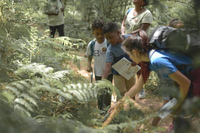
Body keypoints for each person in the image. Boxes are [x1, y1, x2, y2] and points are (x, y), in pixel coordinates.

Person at [109, 30, 199, 132]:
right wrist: (119, 103)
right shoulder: (148, 61)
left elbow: (185, 83)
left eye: (129, 55)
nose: (130, 58)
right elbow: (137, 86)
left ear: (134, 52)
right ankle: (154, 126)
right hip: (188, 82)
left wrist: (178, 104)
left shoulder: (157, 60)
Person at [121, 0, 153, 99]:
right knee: (128, 64)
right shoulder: (129, 10)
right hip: (127, 41)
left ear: (143, 2)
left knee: (139, 65)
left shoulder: (147, 14)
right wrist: (123, 34)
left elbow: (142, 29)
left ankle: (140, 87)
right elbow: (123, 24)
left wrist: (127, 35)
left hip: (137, 43)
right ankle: (129, 88)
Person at [102, 22, 136, 101]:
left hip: (130, 71)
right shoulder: (110, 50)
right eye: (107, 39)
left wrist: (136, 61)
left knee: (132, 91)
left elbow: (137, 52)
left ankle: (133, 110)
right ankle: (120, 111)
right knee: (120, 94)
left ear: (118, 33)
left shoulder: (129, 39)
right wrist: (102, 81)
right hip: (118, 74)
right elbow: (107, 66)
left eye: (111, 37)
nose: (109, 40)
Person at [85, 20, 113, 110]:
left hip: (109, 73)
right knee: (99, 92)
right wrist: (89, 65)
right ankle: (100, 109)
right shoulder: (92, 44)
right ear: (93, 33)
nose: (100, 36)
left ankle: (106, 110)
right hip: (97, 72)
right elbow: (89, 56)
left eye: (102, 33)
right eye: (97, 34)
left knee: (107, 93)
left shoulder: (108, 43)